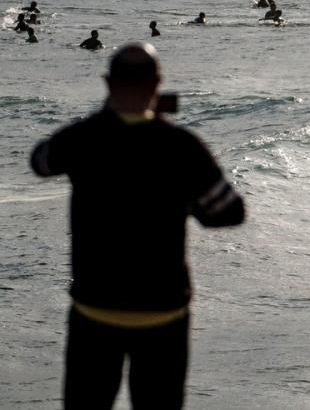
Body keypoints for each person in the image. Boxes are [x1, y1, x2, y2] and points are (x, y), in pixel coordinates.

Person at [29, 43, 245, 410]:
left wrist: (103, 118)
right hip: (163, 314)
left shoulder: (84, 139)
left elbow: (41, 161)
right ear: (157, 83)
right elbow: (228, 213)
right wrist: (182, 196)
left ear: (107, 82)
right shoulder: (181, 146)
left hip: (94, 310)